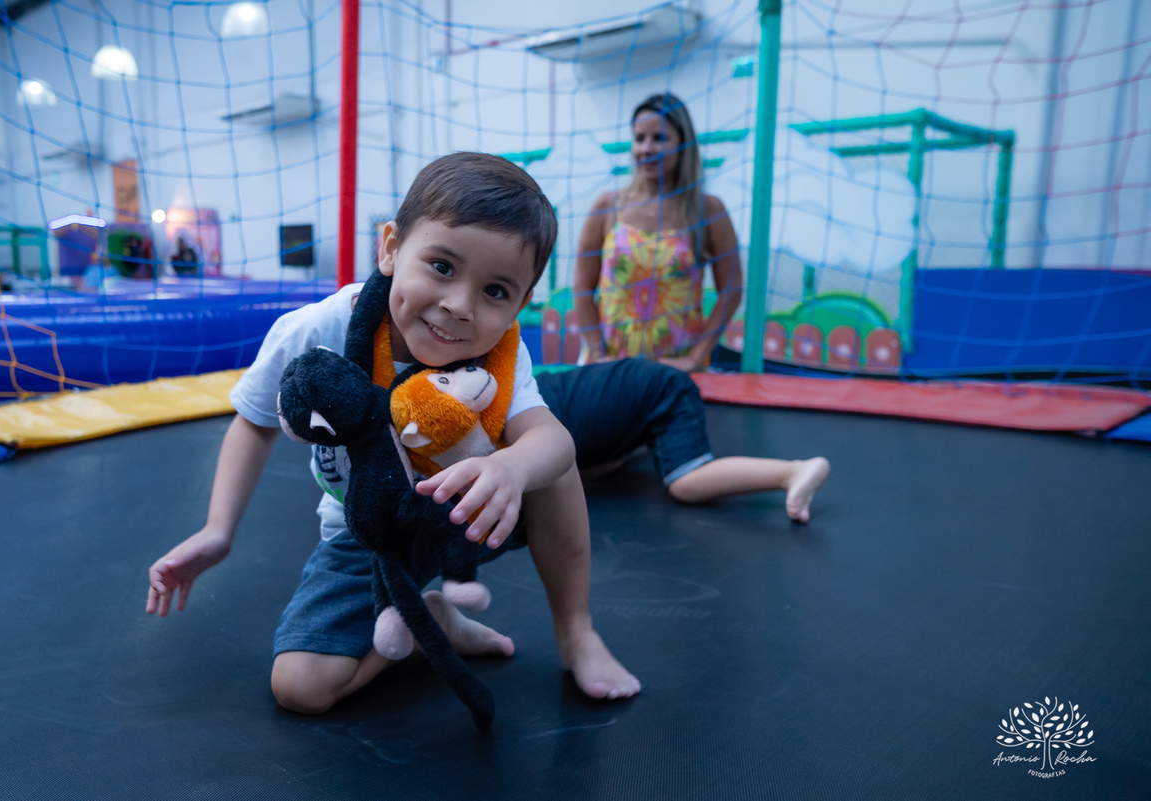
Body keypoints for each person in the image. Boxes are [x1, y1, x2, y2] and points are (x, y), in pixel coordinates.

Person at [146, 153, 640, 713]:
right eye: (442, 267)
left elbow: (552, 440)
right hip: (368, 531)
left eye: (496, 291)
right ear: (390, 248)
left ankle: (577, 632)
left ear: (521, 304)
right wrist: (219, 529)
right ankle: (427, 622)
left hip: (463, 512)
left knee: (550, 465)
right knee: (301, 687)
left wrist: (509, 468)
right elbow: (255, 420)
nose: (459, 306)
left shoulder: (498, 355)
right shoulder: (321, 329)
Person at [536, 359, 830, 522]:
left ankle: (793, 471)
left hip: (663, 390)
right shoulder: (536, 398)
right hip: (639, 389)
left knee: (686, 483)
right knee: (592, 468)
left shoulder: (532, 418)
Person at [574, 92, 743, 372]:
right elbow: (582, 288)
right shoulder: (607, 207)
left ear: (683, 144)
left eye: (659, 138)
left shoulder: (707, 210)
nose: (646, 148)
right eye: (639, 138)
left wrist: (696, 357)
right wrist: (597, 352)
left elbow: (732, 290)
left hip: (676, 372)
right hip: (613, 370)